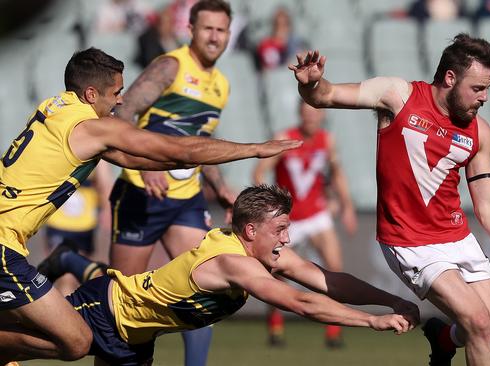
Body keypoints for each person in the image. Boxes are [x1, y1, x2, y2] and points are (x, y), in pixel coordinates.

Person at [0, 46, 299, 364]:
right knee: (76, 342)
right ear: (90, 93)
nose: (119, 101)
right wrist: (254, 148)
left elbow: (132, 157)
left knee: (33, 323)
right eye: (115, 92)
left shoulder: (56, 107)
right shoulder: (93, 127)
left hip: (9, 244)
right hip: (4, 246)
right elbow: (180, 151)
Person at [289, 34, 490, 366]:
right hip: (410, 242)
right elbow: (325, 95)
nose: (485, 98)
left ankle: (443, 339)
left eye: (488, 88)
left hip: (456, 237)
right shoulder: (398, 95)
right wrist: (311, 85)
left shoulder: (480, 132)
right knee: (479, 322)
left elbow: (488, 206)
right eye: (477, 88)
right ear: (449, 77)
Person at [36, 185, 419, 365]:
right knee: (34, 347)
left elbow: (327, 280)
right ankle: (66, 264)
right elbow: (301, 302)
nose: (287, 238)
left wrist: (392, 300)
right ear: (251, 231)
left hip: (136, 337)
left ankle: (67, 261)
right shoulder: (234, 263)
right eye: (281, 229)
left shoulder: (260, 251)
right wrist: (372, 320)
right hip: (104, 309)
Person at [110, 1, 242, 364]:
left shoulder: (222, 85)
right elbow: (124, 110)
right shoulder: (171, 65)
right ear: (192, 30)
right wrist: (146, 161)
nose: (214, 37)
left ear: (229, 34)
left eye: (221, 30)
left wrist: (221, 188)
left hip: (186, 198)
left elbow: (202, 145)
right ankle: (71, 263)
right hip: (141, 194)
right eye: (207, 29)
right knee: (122, 295)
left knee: (202, 286)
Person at [253, 101, 357, 348]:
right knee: (276, 273)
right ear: (299, 114)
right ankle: (276, 326)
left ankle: (334, 331)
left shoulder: (327, 140)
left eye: (315, 113)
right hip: (288, 219)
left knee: (334, 269)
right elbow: (259, 172)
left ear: (321, 114)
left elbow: (337, 173)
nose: (310, 118)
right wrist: (269, 207)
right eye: (306, 113)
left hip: (317, 215)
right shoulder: (285, 139)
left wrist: (347, 206)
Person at [43, 160, 113, 295]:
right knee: (65, 277)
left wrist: (106, 210)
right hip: (58, 223)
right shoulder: (58, 149)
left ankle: (73, 311)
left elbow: (105, 184)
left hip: (84, 226)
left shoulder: (97, 153)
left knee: (78, 277)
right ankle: (66, 313)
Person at [255, 7, 308, 71]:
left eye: (284, 25)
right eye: (277, 25)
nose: (280, 30)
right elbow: (264, 69)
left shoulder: (297, 45)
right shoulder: (265, 45)